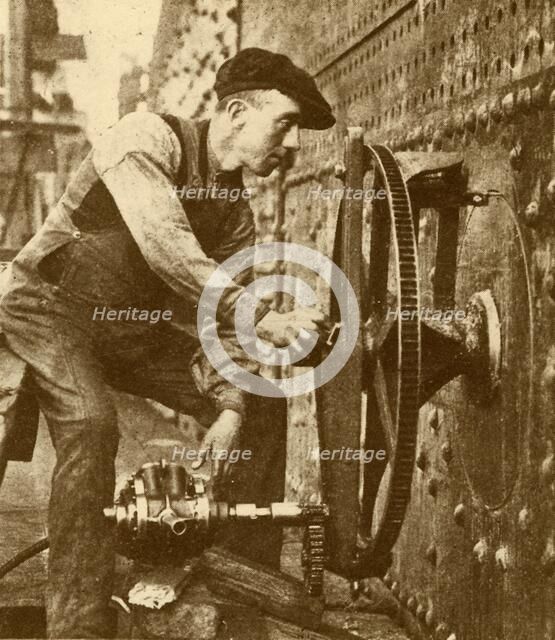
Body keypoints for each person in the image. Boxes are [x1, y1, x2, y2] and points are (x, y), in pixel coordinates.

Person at [0, 47, 335, 638]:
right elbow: (164, 240)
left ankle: (238, 592)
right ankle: (79, 626)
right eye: (285, 123)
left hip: (128, 332)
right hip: (50, 310)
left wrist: (231, 406)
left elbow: (227, 331)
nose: (293, 144)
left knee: (261, 401)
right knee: (90, 422)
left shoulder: (234, 213)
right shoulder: (144, 138)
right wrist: (258, 309)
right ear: (235, 112)